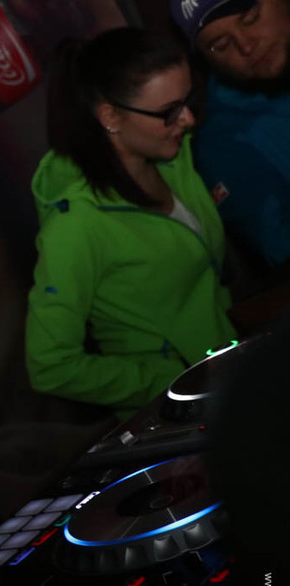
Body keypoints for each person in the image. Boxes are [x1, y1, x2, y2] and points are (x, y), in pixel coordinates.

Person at [25, 27, 237, 414]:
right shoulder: (75, 227)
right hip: (181, 416)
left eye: (188, 100)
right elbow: (50, 366)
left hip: (230, 381)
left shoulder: (173, 160)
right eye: (168, 111)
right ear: (110, 116)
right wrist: (171, 378)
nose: (188, 119)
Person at [169, 0, 290, 272]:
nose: (246, 46)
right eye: (221, 45)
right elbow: (279, 246)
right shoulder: (225, 142)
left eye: (250, 18)